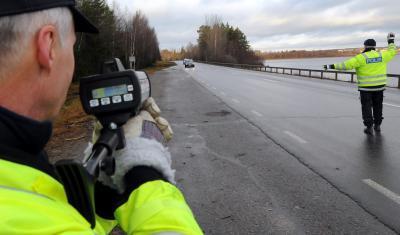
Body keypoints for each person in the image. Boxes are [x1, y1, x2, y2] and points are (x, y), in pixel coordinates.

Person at [0, 1, 202, 234]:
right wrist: (145, 172)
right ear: (48, 45)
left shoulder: (22, 163)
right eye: (72, 46)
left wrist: (100, 200)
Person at [324, 33, 397, 135]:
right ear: (374, 46)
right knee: (378, 106)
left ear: (365, 46)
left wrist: (329, 66)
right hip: (379, 87)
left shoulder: (361, 57)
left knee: (366, 106)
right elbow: (392, 51)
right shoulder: (382, 56)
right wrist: (391, 41)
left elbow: (345, 65)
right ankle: (378, 125)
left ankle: (369, 127)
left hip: (366, 88)